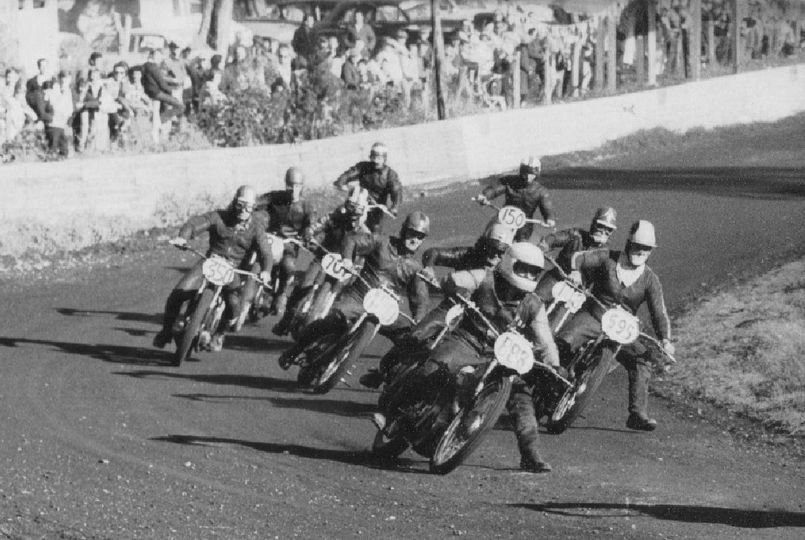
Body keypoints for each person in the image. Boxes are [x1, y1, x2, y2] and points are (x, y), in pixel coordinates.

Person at [399, 242, 560, 472]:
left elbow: (545, 338)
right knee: (436, 366)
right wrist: (454, 287)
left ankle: (530, 454)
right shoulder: (485, 277)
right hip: (469, 341)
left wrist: (554, 364)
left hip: (503, 357)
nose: (527, 275)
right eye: (523, 268)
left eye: (533, 272)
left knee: (523, 402)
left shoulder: (533, 304)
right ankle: (403, 409)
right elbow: (453, 281)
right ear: (509, 263)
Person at [360, 222, 515, 388]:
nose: (495, 256)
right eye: (492, 248)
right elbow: (433, 252)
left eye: (501, 252)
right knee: (417, 334)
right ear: (484, 245)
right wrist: (429, 267)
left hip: (477, 325)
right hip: (452, 309)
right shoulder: (468, 255)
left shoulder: (507, 277)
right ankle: (383, 372)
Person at [557, 220, 675, 431]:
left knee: (642, 359)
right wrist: (575, 270)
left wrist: (665, 339)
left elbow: (659, 312)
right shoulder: (607, 257)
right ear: (629, 243)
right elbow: (579, 257)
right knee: (565, 342)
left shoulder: (650, 279)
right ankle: (550, 381)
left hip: (623, 328)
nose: (641, 251)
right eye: (637, 246)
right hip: (595, 315)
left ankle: (638, 413)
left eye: (646, 248)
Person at [283, 211, 432, 369]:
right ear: (404, 230)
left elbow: (420, 299)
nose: (415, 239)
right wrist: (347, 260)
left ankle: (382, 375)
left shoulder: (416, 269)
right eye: (412, 233)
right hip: (359, 295)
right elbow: (352, 239)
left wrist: (418, 320)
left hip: (385, 309)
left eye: (420, 236)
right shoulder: (382, 241)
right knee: (334, 319)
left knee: (409, 339)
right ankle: (294, 350)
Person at [152, 186, 271, 352]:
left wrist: (266, 271)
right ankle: (165, 332)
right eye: (240, 205)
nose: (243, 211)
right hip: (210, 261)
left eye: (248, 207)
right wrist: (183, 237)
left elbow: (266, 252)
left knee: (234, 306)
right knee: (177, 294)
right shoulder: (219, 216)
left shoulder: (256, 228)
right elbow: (195, 224)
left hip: (233, 268)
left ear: (253, 208)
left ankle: (220, 334)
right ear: (234, 202)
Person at [271, 186, 372, 336]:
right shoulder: (337, 215)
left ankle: (328, 326)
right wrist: (310, 232)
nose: (353, 213)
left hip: (345, 268)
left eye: (357, 209)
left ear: (364, 210)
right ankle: (286, 319)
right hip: (324, 256)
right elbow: (321, 223)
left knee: (344, 296)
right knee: (305, 283)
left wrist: (359, 266)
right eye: (351, 207)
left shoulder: (365, 234)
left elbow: (369, 254)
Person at [254, 167, 316, 317]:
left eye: (297, 185)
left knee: (288, 266)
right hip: (271, 237)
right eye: (290, 185)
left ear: (302, 186)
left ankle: (281, 293)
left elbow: (311, 223)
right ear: (285, 184)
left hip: (290, 242)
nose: (293, 189)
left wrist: (308, 232)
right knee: (254, 254)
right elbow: (257, 202)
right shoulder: (275, 197)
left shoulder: (306, 206)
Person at [535, 207, 617, 302]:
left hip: (577, 291)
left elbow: (606, 280)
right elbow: (555, 238)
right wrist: (544, 245)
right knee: (535, 300)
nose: (603, 232)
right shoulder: (576, 235)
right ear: (593, 224)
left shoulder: (606, 254)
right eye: (601, 226)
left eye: (609, 230)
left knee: (562, 315)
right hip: (556, 277)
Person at [476, 156, 555, 241]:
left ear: (537, 174)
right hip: (504, 218)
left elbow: (546, 206)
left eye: (531, 175)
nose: (528, 178)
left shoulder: (541, 191)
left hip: (524, 223)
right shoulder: (509, 181)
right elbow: (495, 189)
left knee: (522, 244)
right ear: (521, 172)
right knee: (490, 233)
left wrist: (549, 218)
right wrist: (485, 195)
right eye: (526, 174)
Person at [333, 142, 403, 233]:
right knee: (344, 220)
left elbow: (396, 191)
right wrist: (341, 182)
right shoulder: (363, 167)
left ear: (384, 159)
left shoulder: (390, 174)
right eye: (374, 157)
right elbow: (350, 173)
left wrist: (394, 207)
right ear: (370, 157)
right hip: (359, 204)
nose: (376, 161)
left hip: (376, 208)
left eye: (379, 158)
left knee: (375, 234)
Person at [141, 48, 184, 131]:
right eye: (158, 56)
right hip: (156, 93)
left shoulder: (145, 66)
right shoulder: (154, 67)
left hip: (150, 92)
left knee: (165, 104)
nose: (160, 58)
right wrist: (172, 93)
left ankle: (161, 121)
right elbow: (162, 84)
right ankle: (159, 121)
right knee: (180, 106)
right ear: (152, 56)